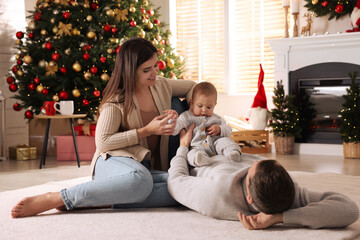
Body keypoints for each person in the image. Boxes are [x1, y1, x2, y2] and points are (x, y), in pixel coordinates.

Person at [11, 37, 196, 218]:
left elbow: (194, 88)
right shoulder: (116, 99)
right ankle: (59, 197)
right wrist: (147, 130)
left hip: (144, 167)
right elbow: (103, 142)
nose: (155, 73)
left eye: (156, 65)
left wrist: (193, 113)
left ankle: (102, 198)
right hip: (113, 161)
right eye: (147, 70)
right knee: (142, 181)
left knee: (183, 185)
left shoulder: (161, 85)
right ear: (130, 71)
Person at [168, 125, 359, 229]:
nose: (254, 162)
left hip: (194, 154)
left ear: (249, 197)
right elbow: (350, 209)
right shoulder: (288, 192)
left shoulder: (214, 193)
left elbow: (176, 180)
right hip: (225, 147)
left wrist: (183, 146)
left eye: (252, 169)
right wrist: (281, 217)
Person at [171, 82, 241, 167]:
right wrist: (172, 119)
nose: (204, 110)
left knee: (225, 141)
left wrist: (219, 129)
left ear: (215, 105)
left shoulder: (217, 118)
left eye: (209, 107)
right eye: (200, 106)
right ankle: (199, 159)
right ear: (192, 103)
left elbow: (228, 130)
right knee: (191, 154)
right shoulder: (186, 117)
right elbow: (174, 130)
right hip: (197, 147)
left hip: (215, 144)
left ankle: (232, 153)